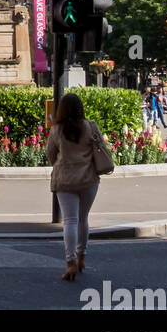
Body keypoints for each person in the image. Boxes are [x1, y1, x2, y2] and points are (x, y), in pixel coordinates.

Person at [46, 92, 113, 281]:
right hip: (88, 179)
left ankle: (70, 262)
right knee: (83, 218)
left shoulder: (57, 129)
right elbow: (101, 148)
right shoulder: (91, 126)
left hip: (65, 179)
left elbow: (50, 154)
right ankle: (82, 257)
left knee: (70, 221)